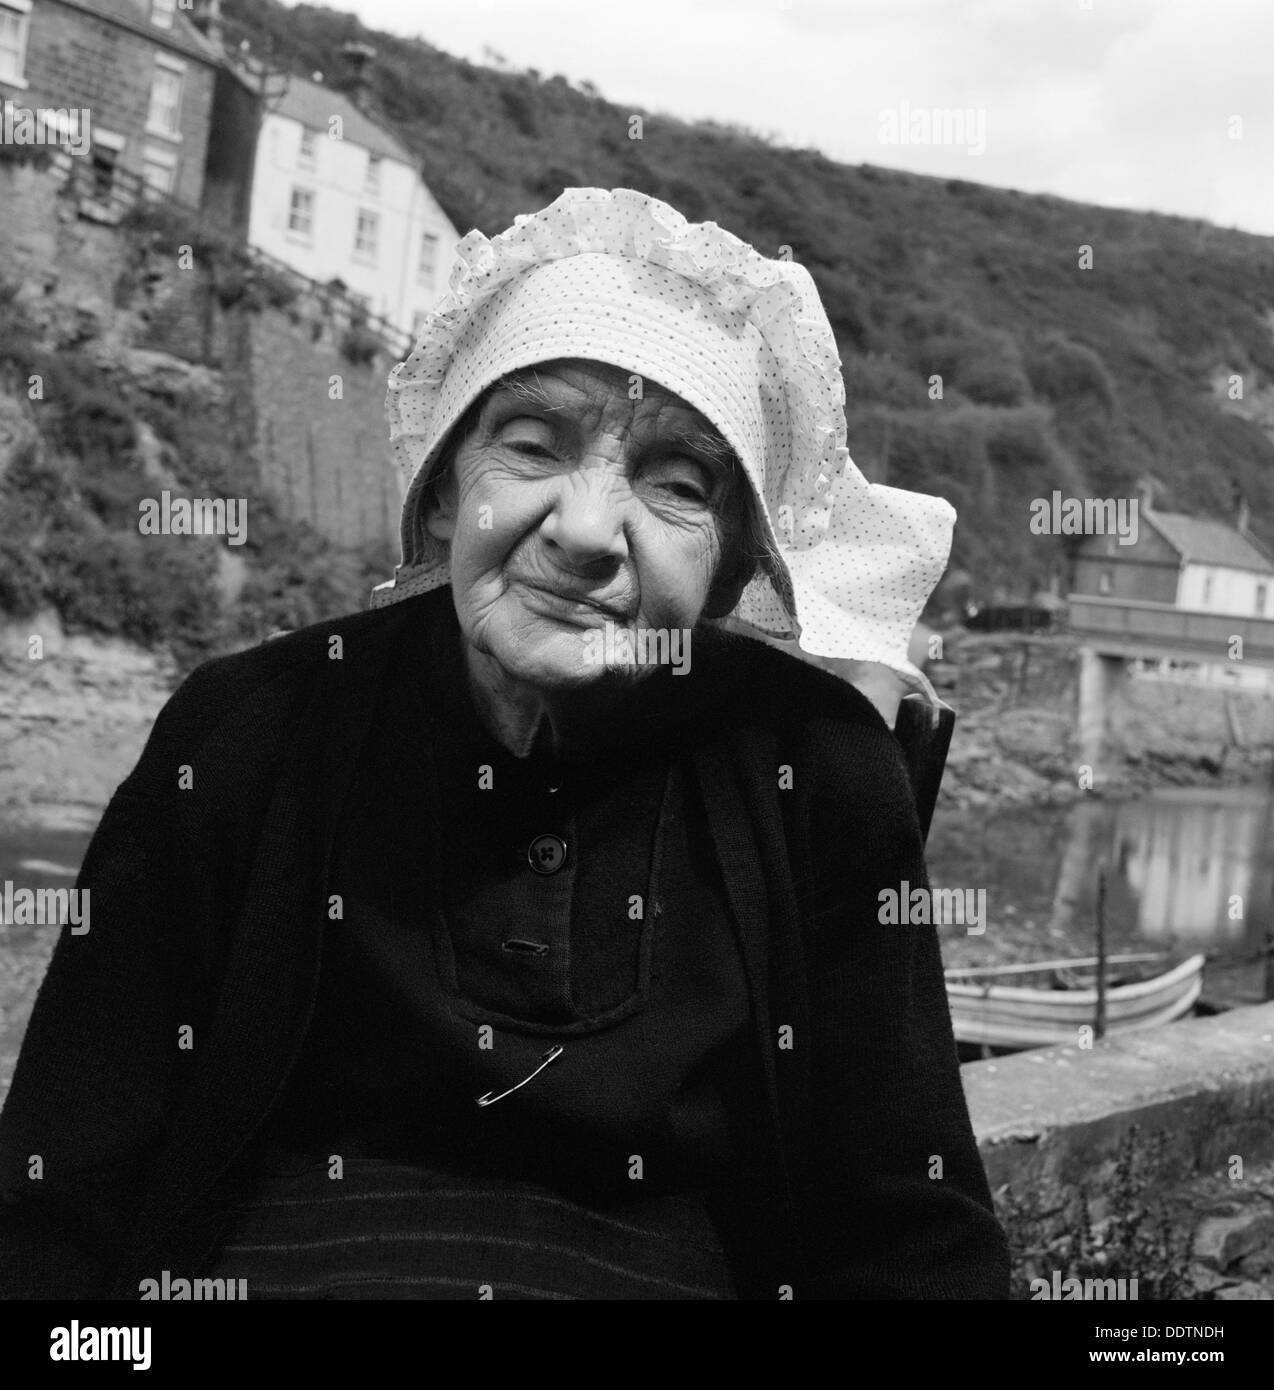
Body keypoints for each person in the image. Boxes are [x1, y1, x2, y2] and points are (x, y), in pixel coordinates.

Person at [0, 187, 1009, 1300]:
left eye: (676, 485)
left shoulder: (813, 774)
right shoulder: (250, 729)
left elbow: (908, 1224)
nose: (583, 531)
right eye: (531, 445)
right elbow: (62, 1194)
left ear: (731, 571)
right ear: (441, 490)